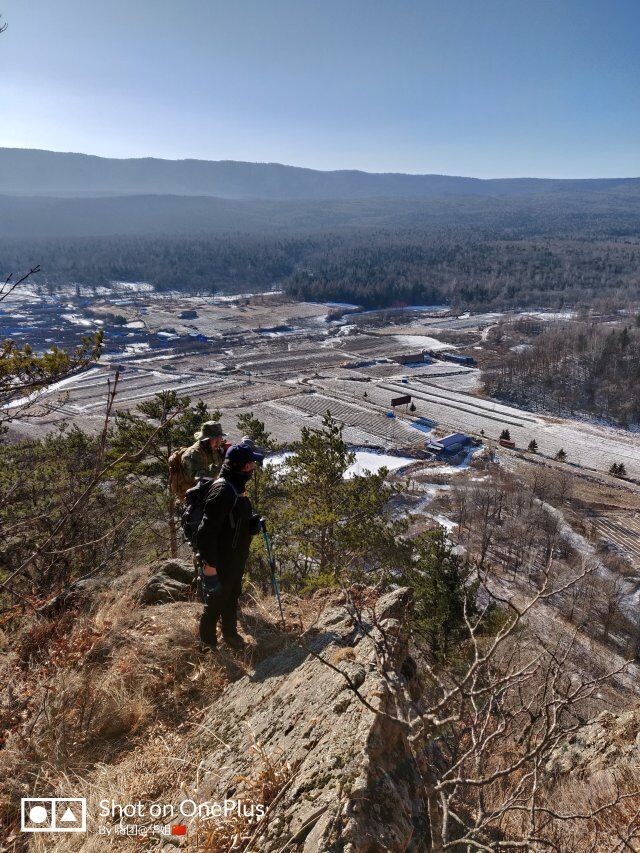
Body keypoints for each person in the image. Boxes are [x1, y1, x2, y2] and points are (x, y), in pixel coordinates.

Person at [196, 443, 264, 650]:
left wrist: (251, 524)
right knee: (215, 601)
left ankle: (230, 634)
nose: (253, 467)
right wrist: (210, 566)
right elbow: (205, 532)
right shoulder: (224, 490)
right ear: (242, 466)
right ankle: (207, 646)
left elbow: (233, 521)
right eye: (251, 463)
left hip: (234, 556)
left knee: (232, 595)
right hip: (221, 559)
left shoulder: (237, 487)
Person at [175, 421, 230, 501]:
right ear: (206, 440)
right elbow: (200, 479)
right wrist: (223, 466)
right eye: (215, 438)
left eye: (220, 438)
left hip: (209, 493)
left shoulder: (214, 449)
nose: (219, 441)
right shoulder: (192, 454)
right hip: (192, 498)